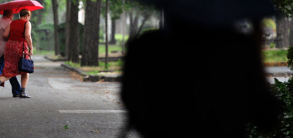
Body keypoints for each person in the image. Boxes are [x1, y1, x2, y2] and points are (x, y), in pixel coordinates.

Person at [120, 18, 282, 138]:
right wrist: (256, 52)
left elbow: (133, 104)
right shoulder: (238, 49)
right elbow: (267, 117)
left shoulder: (145, 47)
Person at [0, 9, 33, 98]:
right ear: (26, 16)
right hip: (20, 47)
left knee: (11, 69)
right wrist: (31, 48)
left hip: (10, 46)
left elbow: (5, 35)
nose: (29, 18)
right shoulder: (27, 23)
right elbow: (27, 36)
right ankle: (22, 92)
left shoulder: (12, 23)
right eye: (29, 17)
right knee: (25, 70)